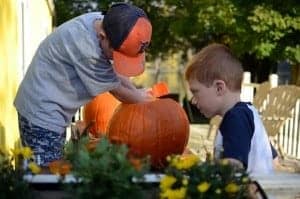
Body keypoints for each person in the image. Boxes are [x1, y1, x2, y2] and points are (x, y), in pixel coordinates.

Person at [14, 2, 152, 166]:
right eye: (116, 55)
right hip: (40, 114)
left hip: (51, 110)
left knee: (54, 169)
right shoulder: (87, 49)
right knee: (46, 174)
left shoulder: (104, 23)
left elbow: (116, 75)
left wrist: (139, 95)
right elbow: (118, 89)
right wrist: (147, 102)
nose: (116, 60)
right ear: (102, 37)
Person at [185, 43, 276, 175]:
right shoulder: (249, 113)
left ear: (219, 88)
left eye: (196, 92)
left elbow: (233, 166)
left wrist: (202, 168)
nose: (193, 100)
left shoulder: (235, 118)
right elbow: (273, 159)